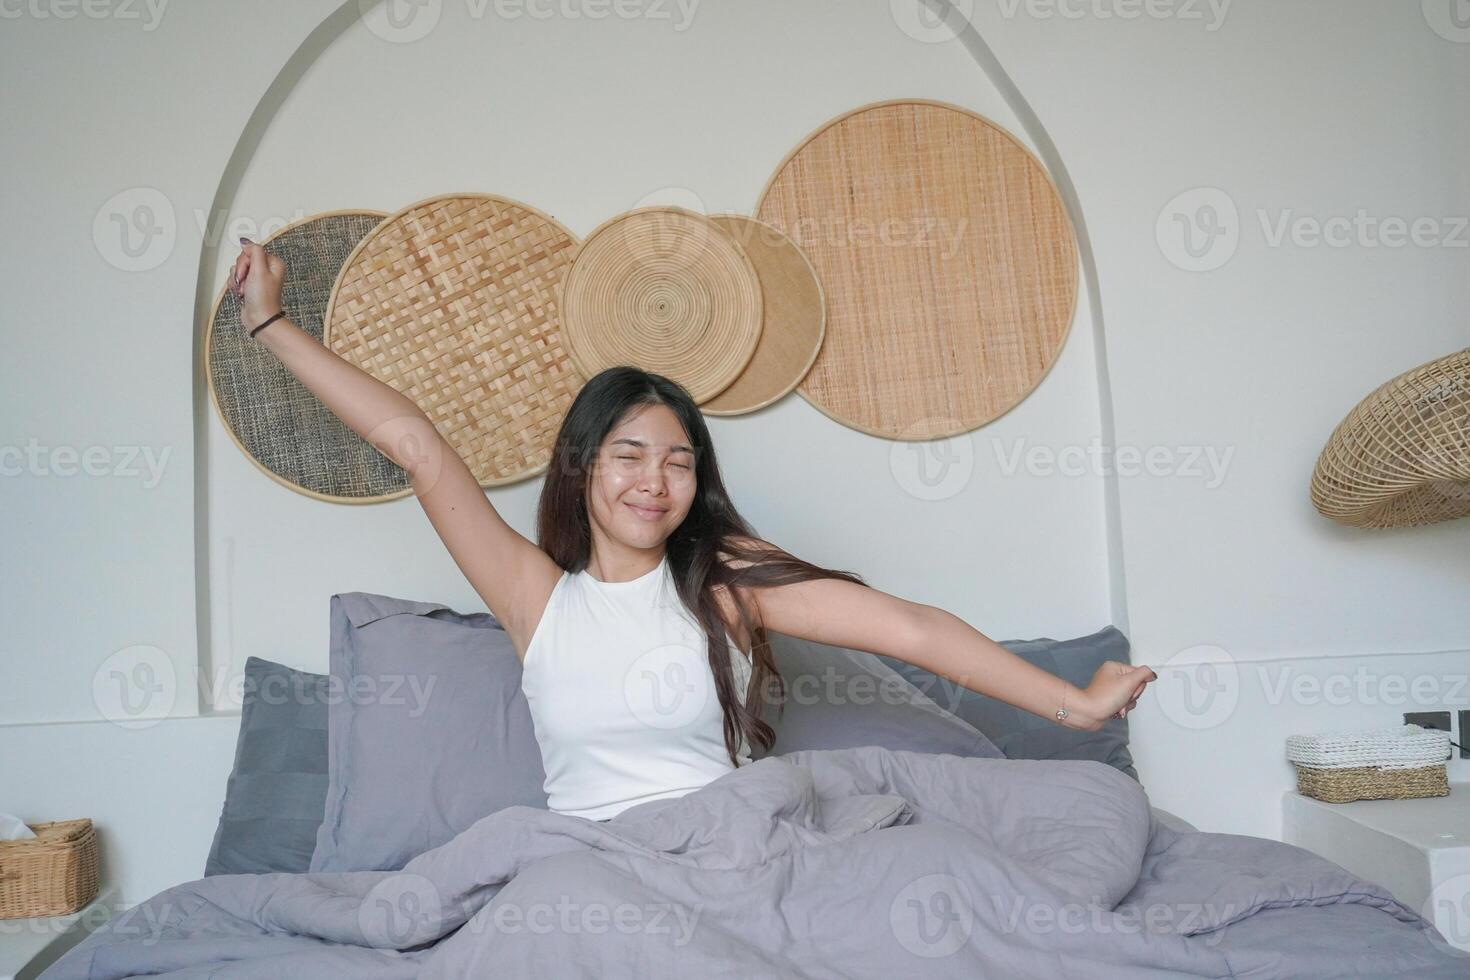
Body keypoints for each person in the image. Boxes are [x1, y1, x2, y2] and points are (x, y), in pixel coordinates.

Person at [229, 238, 1157, 822]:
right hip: (592, 877)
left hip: (735, 855)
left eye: (680, 461)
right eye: (629, 455)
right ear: (583, 465)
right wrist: (270, 323)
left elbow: (910, 629)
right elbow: (417, 447)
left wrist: (1073, 703)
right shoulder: (534, 599)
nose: (655, 481)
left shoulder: (724, 583)